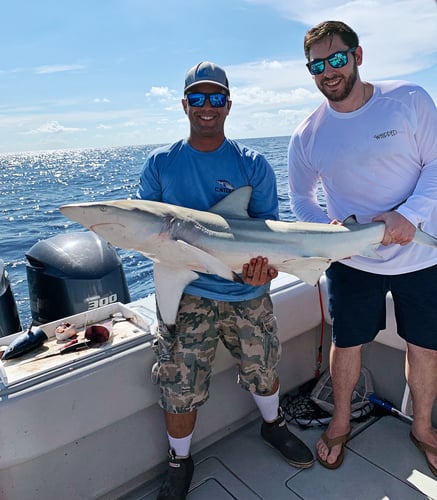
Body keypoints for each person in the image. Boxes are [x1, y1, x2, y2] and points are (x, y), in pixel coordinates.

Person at [137, 61, 315, 499]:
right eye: (197, 97)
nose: (207, 106)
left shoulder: (252, 165)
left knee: (264, 367)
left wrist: (264, 269)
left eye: (216, 97)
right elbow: (146, 236)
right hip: (188, 292)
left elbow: (267, 233)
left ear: (229, 105)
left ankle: (273, 426)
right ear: (184, 104)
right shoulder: (160, 164)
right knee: (177, 383)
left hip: (245, 290)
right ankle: (180, 459)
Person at [288, 20, 437, 474]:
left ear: (357, 55)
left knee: (426, 348)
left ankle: (423, 427)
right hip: (353, 262)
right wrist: (329, 234)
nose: (328, 71)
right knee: (346, 343)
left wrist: (409, 216)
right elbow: (300, 198)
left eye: (336, 58)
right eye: (317, 64)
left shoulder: (409, 100)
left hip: (423, 255)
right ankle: (339, 422)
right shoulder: (307, 135)